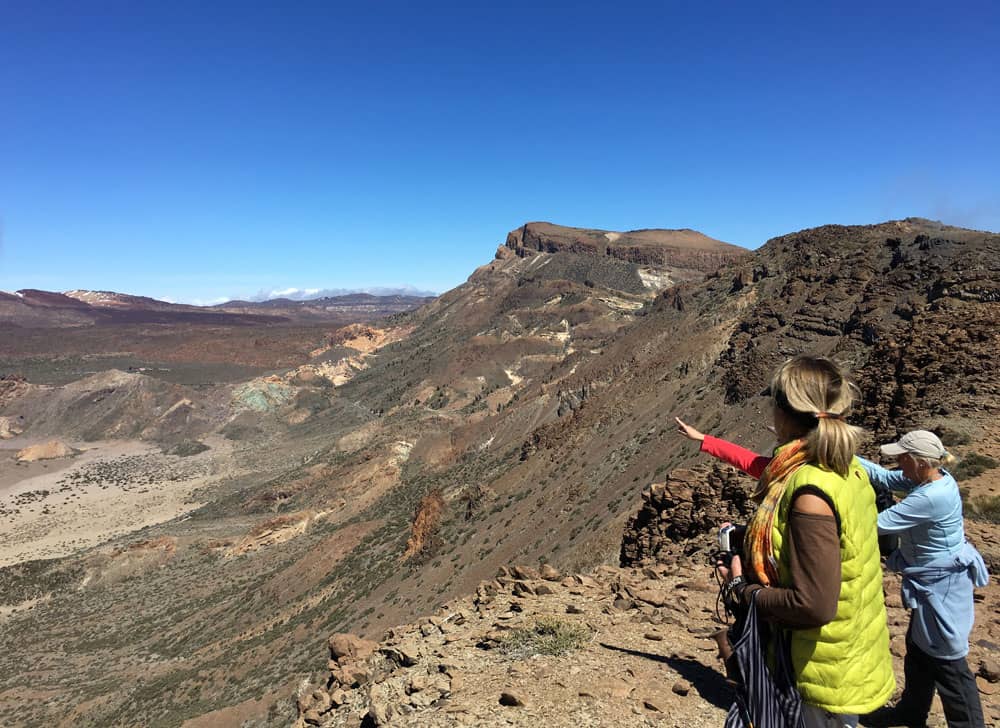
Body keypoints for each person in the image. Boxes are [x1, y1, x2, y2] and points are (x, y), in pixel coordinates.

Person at [677, 355, 895, 728]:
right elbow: (754, 465)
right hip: (842, 653)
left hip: (818, 670)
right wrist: (706, 442)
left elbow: (813, 605)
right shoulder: (843, 468)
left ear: (784, 412)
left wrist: (743, 590)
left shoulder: (809, 491)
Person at [857, 431, 988, 728]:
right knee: (918, 650)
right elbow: (885, 478)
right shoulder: (929, 478)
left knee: (947, 660)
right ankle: (910, 712)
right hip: (932, 583)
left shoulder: (931, 496)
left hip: (942, 587)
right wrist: (841, 454)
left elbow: (875, 524)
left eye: (902, 458)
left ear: (919, 461)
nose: (898, 463)